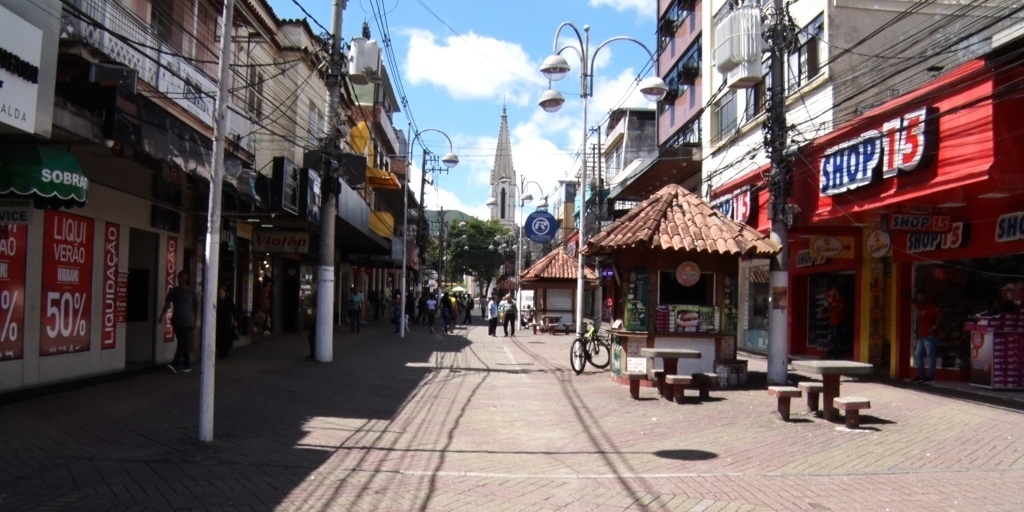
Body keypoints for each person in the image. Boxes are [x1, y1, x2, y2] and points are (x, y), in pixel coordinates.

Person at [161, 270, 199, 373]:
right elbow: (168, 304)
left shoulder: (191, 292)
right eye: (179, 277)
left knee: (182, 342)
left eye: (182, 277)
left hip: (187, 321)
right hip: (177, 320)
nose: (180, 279)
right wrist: (162, 316)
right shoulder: (173, 291)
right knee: (183, 342)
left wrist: (195, 320)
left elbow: (196, 306)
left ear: (186, 278)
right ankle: (187, 365)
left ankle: (175, 364)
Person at [911, 291, 942, 383]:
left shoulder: (931, 307)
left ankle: (931, 376)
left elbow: (940, 314)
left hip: (930, 336)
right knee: (918, 355)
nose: (919, 298)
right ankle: (921, 375)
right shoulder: (920, 307)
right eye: (918, 297)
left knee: (931, 356)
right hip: (922, 336)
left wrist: (934, 327)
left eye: (921, 296)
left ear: (925, 297)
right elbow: (911, 301)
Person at [821, 286, 849, 359]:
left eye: (834, 291)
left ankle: (840, 355)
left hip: (839, 323)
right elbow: (827, 304)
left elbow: (838, 311)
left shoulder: (841, 300)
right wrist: (828, 295)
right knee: (833, 340)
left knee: (838, 340)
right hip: (833, 323)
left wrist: (828, 313)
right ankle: (835, 355)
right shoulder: (834, 301)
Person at [215, 284, 237, 360]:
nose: (220, 294)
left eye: (221, 292)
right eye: (219, 293)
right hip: (219, 321)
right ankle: (220, 351)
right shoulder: (217, 301)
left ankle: (224, 352)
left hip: (227, 321)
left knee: (226, 337)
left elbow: (234, 310)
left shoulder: (229, 300)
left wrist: (235, 320)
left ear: (225, 293)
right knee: (219, 336)